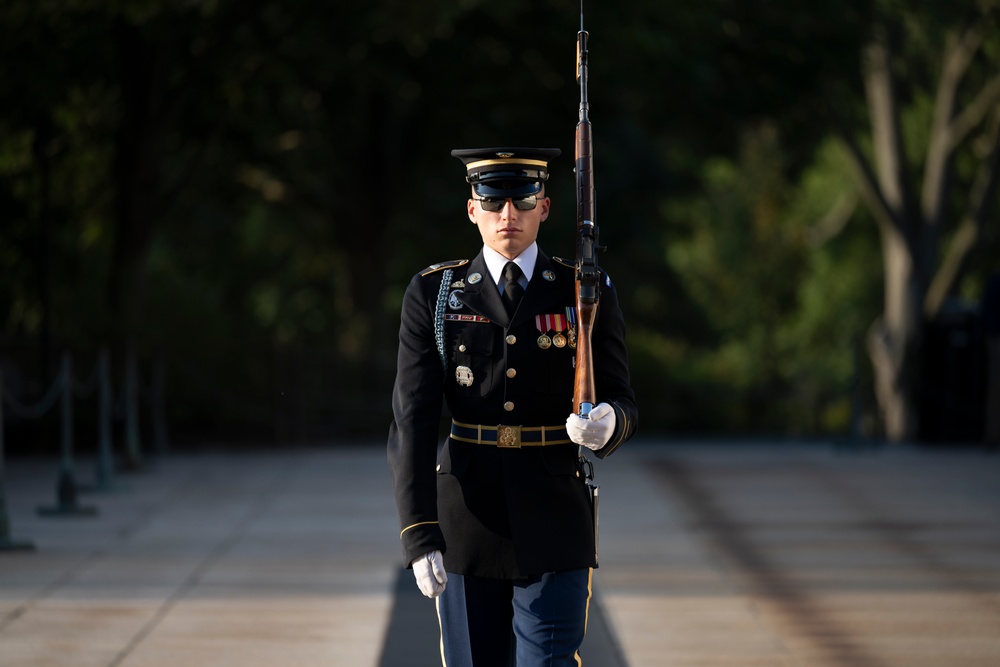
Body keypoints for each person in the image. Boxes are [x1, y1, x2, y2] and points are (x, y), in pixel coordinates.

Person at [387, 146, 638, 666]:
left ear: (544, 207)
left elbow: (624, 399)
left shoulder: (583, 290)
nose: (508, 215)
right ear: (472, 208)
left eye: (522, 201)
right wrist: (419, 530)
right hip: (467, 520)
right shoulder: (436, 293)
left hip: (554, 514)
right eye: (493, 200)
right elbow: (412, 420)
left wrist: (609, 423)